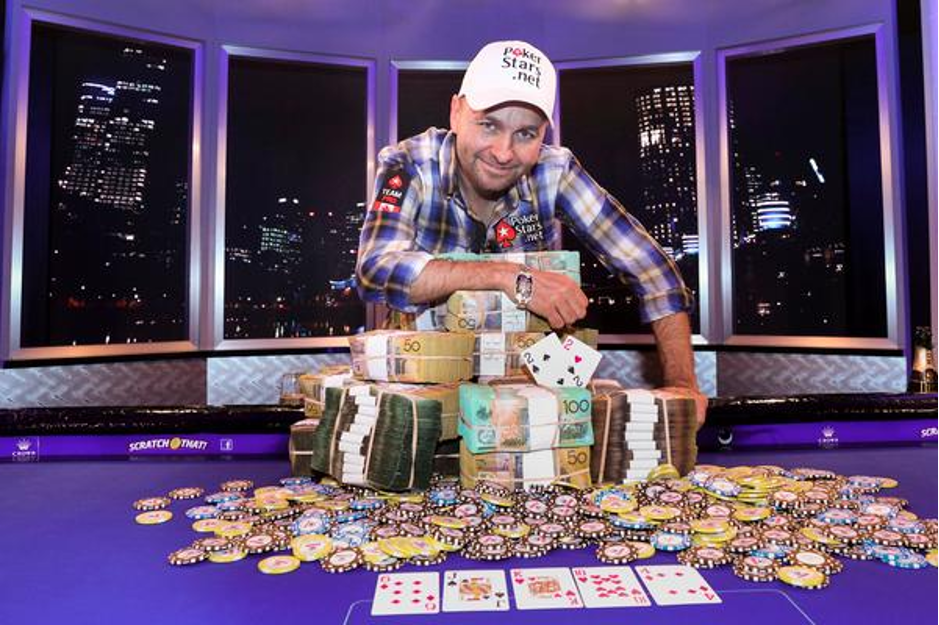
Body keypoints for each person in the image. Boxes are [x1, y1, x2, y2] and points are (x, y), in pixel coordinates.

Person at [356, 40, 707, 426]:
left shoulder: (555, 170)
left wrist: (682, 384)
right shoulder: (408, 162)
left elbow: (653, 270)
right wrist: (509, 277)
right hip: (424, 382)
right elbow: (375, 269)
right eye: (488, 124)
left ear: (543, 136)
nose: (504, 152)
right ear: (456, 112)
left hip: (526, 385)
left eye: (525, 134)